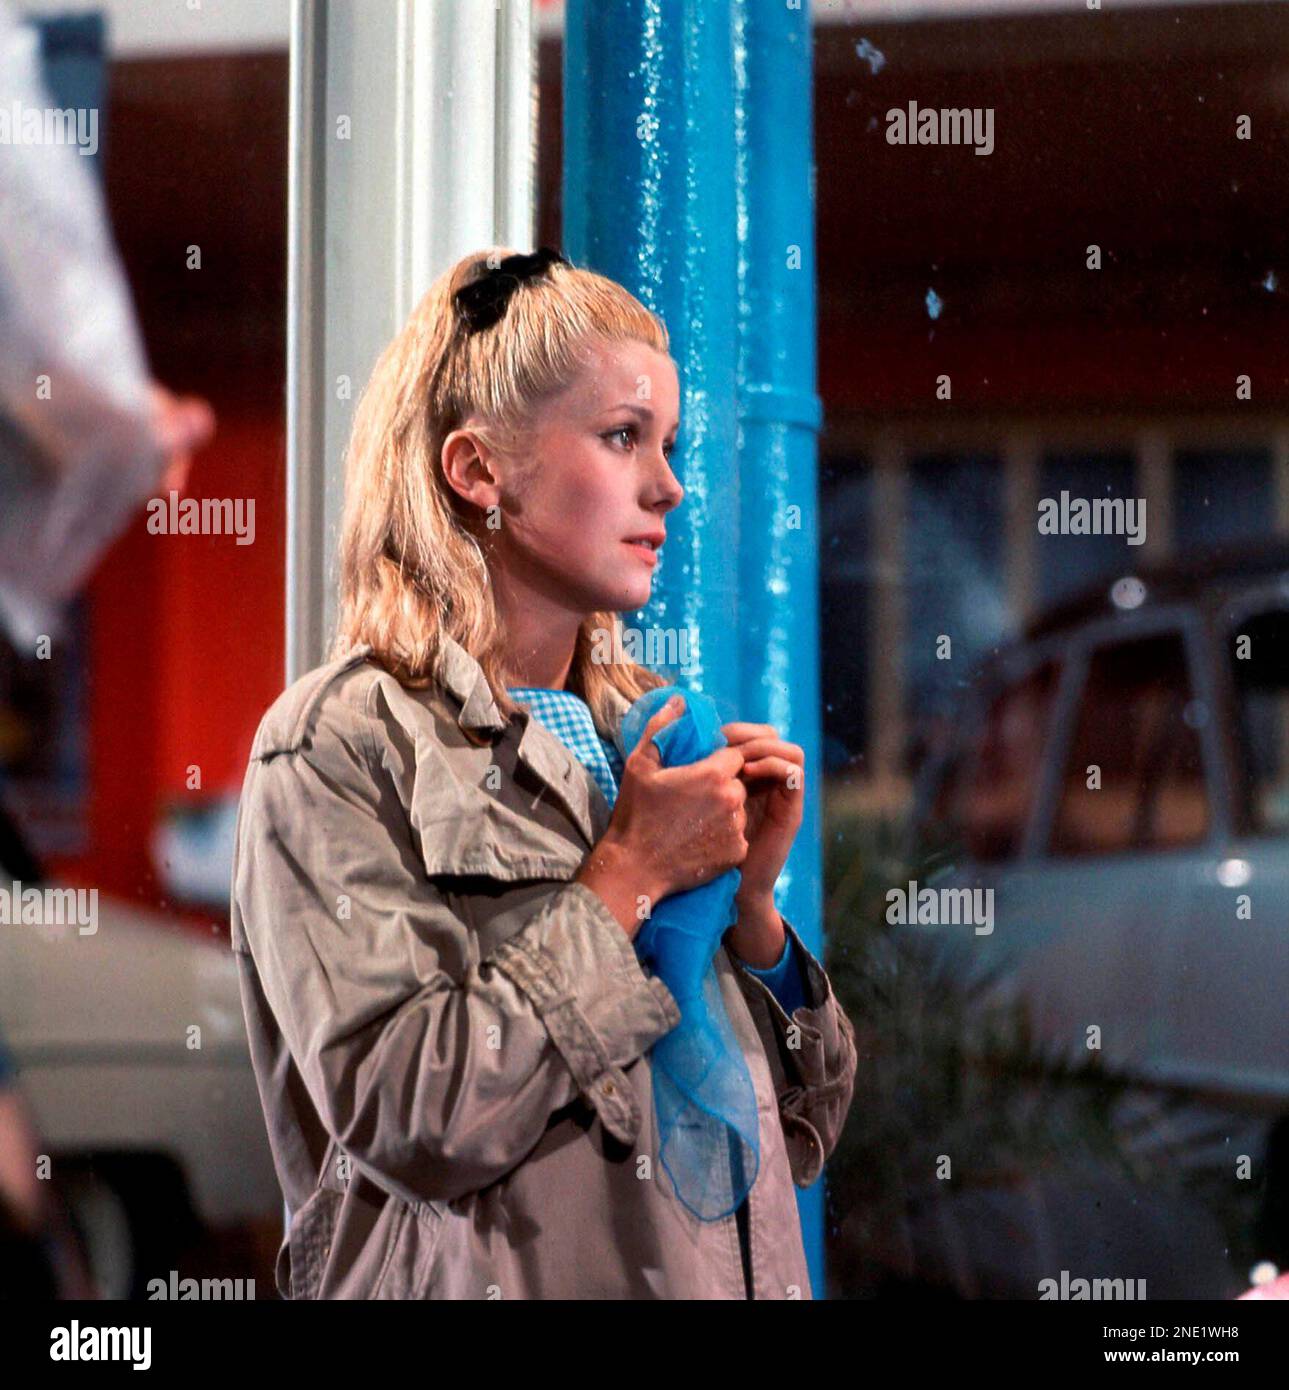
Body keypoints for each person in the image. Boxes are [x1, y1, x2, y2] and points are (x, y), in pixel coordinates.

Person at [230, 247, 858, 1299]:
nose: (668, 485)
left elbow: (795, 1135)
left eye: (666, 443)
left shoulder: (646, 731)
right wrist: (628, 877)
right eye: (622, 438)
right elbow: (410, 1116)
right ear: (476, 471)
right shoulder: (336, 744)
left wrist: (751, 914)